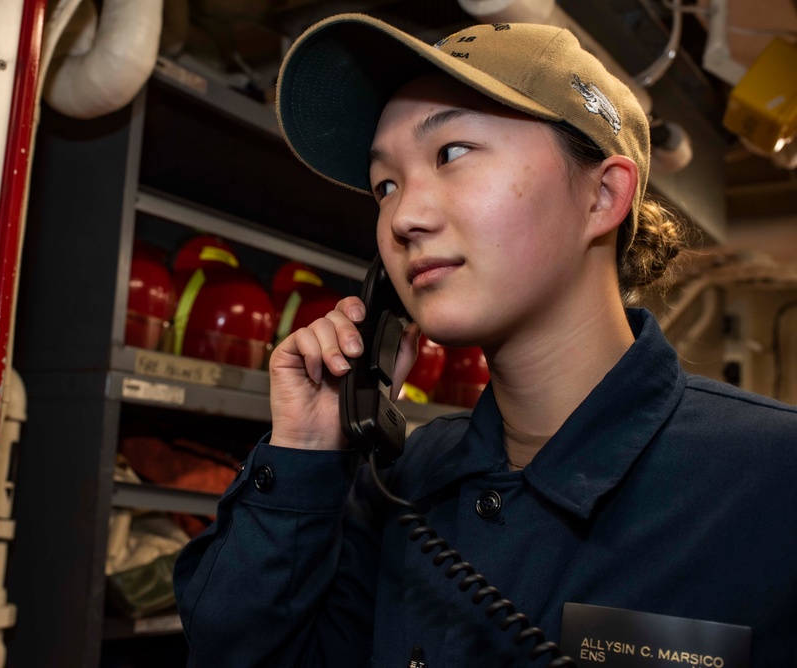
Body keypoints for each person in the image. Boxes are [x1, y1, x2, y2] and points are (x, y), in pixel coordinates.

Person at [173, 13, 797, 667]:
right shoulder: (402, 485)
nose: (403, 218)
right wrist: (304, 456)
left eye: (451, 154)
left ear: (603, 195)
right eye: (385, 184)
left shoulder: (772, 483)